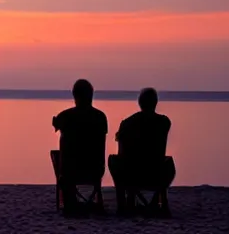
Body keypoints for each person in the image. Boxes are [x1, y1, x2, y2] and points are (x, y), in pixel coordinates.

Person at [108, 88, 175, 215]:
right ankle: (156, 199)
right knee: (169, 163)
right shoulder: (164, 122)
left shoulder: (127, 123)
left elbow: (121, 151)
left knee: (114, 160)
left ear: (140, 102)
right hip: (155, 173)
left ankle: (126, 200)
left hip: (131, 174)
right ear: (155, 103)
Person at [52, 79, 108, 212]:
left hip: (71, 170)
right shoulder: (100, 117)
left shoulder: (65, 116)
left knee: (59, 154)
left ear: (74, 95)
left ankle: (69, 198)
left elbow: (56, 125)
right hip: (95, 168)